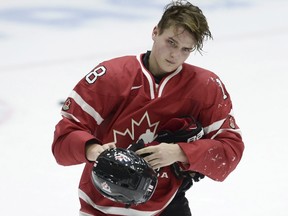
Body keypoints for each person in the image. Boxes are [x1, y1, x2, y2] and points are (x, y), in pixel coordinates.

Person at [52, 1, 244, 215]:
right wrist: (94, 150)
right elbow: (62, 141)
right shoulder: (111, 75)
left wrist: (180, 152)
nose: (175, 55)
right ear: (155, 32)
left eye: (185, 49)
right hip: (101, 204)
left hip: (168, 206)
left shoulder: (205, 87)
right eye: (170, 42)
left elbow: (230, 151)